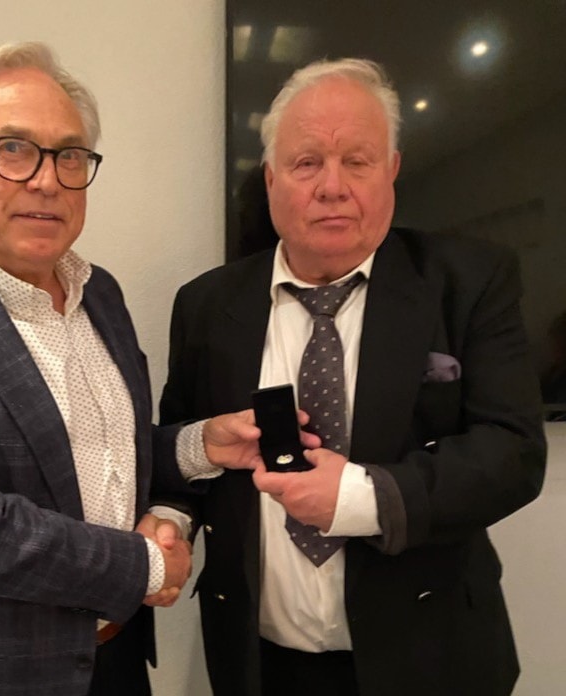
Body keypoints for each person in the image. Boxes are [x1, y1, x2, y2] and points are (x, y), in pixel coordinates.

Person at [0, 41, 256, 696]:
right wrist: (145, 566)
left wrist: (198, 446)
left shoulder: (101, 295)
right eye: (13, 148)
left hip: (117, 662)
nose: (46, 180)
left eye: (69, 155)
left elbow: (98, 460)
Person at [159, 58, 547, 696]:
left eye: (357, 161)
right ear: (272, 178)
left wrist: (361, 498)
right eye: (307, 162)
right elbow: (181, 445)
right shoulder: (205, 304)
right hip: (259, 667)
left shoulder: (471, 281)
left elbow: (514, 452)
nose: (332, 186)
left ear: (391, 170)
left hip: (432, 662)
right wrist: (168, 517)